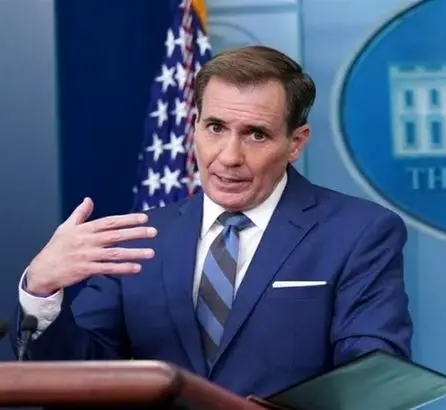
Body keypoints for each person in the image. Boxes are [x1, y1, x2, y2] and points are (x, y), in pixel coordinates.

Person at [10, 45, 412, 398]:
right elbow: (84, 377)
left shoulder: (358, 232)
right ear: (195, 126)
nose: (229, 156)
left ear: (296, 143)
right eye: (216, 128)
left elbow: (372, 375)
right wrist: (41, 289)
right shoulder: (138, 239)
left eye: (256, 135)